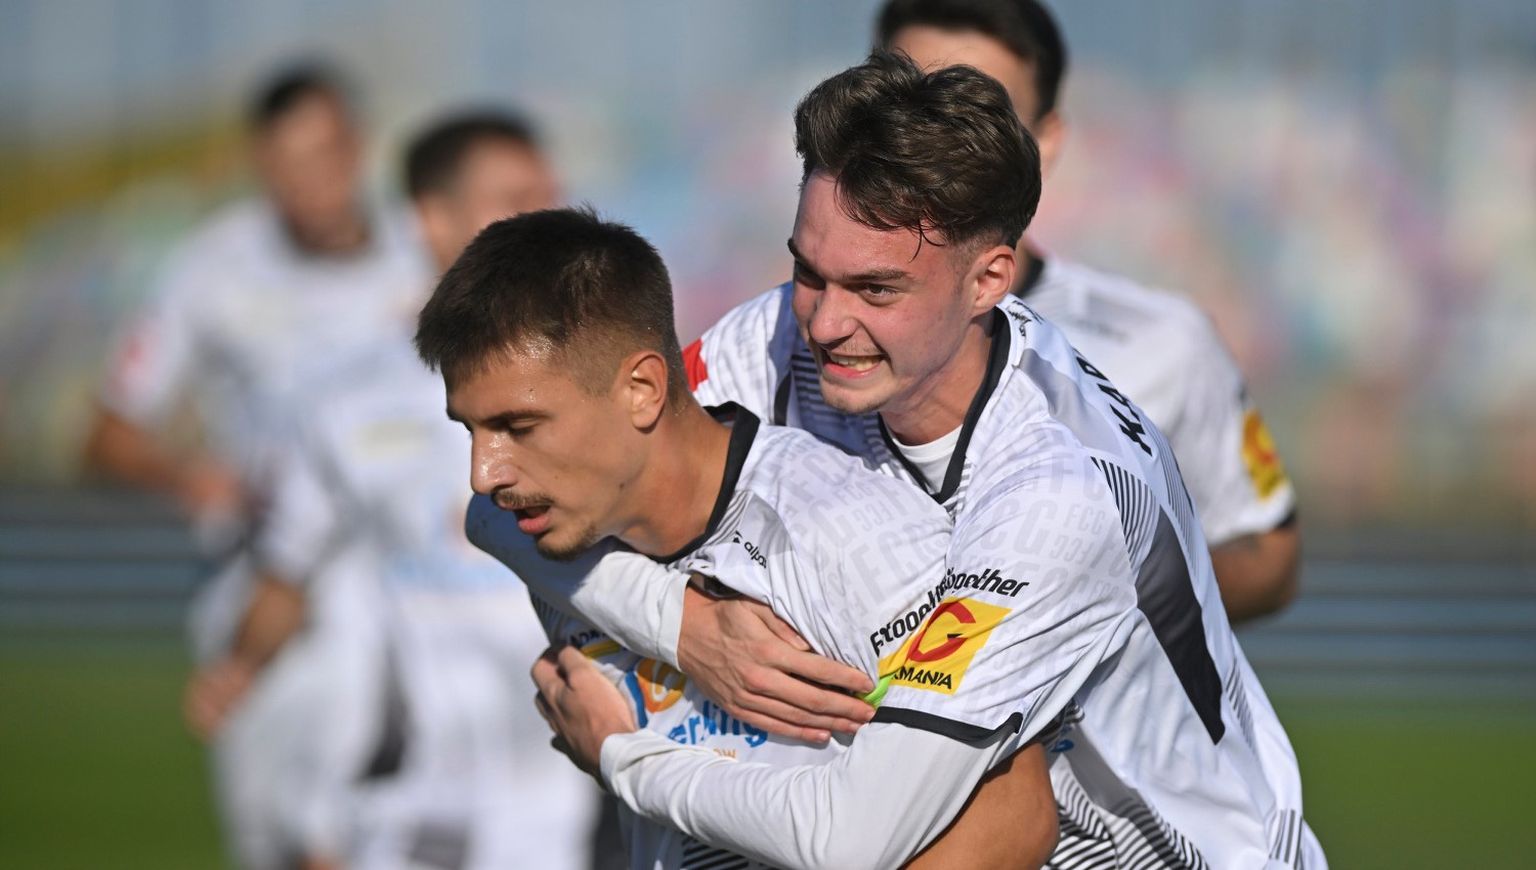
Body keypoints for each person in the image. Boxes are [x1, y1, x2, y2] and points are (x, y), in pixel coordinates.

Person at [463, 54, 1323, 868]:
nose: (825, 322)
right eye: (809, 272)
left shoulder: (1056, 499)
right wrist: (679, 626)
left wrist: (622, 755)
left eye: (876, 289)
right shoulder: (773, 336)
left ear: (989, 281)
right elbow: (525, 486)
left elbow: (855, 835)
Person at [418, 206, 1059, 870]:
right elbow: (482, 519)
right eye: (471, 430)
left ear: (642, 389)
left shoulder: (856, 541)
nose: (485, 473)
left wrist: (621, 758)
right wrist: (679, 627)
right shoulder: (551, 533)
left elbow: (1015, 814)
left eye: (518, 427)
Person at [182, 110, 598, 869]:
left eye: (551, 197)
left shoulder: (613, 385)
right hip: (415, 807)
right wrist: (238, 667)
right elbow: (287, 569)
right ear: (432, 219)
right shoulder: (348, 400)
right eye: (515, 199)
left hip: (581, 785)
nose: (546, 220)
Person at [83, 63, 428, 868]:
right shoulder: (213, 267)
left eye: (325, 154)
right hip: (263, 595)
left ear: (357, 148)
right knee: (270, 843)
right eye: (287, 161)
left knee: (363, 838)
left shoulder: (423, 258)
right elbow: (109, 429)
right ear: (261, 165)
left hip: (402, 594)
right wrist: (187, 475)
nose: (310, 180)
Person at [877, 0, 1301, 623]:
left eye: (978, 119)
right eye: (906, 112)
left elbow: (1268, 555)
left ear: (1045, 143)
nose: (933, 147)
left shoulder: (1166, 341)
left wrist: (1101, 590)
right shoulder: (796, 332)